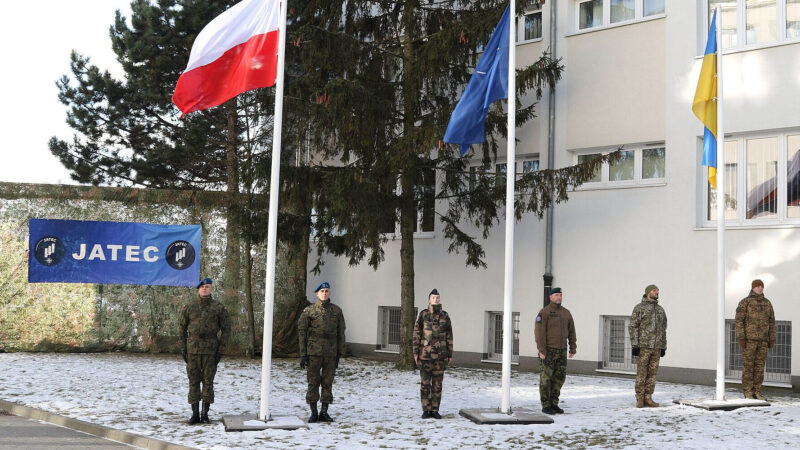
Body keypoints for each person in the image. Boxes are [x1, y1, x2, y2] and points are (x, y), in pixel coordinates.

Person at [179, 277, 231, 425]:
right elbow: (181, 328)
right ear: (198, 289)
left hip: (210, 350)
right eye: (202, 287)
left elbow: (226, 329)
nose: (205, 289)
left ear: (211, 289)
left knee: (208, 382)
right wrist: (183, 347)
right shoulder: (189, 307)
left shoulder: (218, 308)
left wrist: (220, 350)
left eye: (207, 287)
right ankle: (195, 414)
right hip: (193, 349)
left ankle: (205, 414)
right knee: (193, 382)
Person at [298, 282, 346, 423]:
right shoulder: (310, 311)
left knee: (327, 382)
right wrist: (303, 354)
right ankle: (313, 412)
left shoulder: (336, 311)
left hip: (330, 353)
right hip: (314, 352)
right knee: (313, 382)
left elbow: (341, 333)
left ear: (329, 293)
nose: (324, 293)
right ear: (317, 294)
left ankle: (324, 411)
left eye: (326, 291)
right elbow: (302, 333)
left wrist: (339, 353)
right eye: (322, 291)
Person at [413, 288, 454, 419]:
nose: (435, 300)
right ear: (429, 300)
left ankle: (435, 410)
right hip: (425, 356)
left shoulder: (445, 316)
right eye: (433, 298)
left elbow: (449, 335)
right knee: (425, 384)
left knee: (437, 385)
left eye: (437, 298)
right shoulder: (423, 314)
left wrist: (450, 354)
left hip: (440, 356)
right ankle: (426, 409)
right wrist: (415, 352)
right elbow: (416, 334)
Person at [534, 287, 576, 415]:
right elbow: (539, 333)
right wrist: (542, 350)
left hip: (562, 351)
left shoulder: (566, 313)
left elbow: (572, 331)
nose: (559, 297)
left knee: (559, 378)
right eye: (556, 295)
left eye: (560, 295)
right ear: (551, 297)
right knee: (546, 378)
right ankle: (546, 405)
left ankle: (554, 403)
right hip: (548, 351)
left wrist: (572, 347)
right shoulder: (544, 313)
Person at [735, 279, 776, 400]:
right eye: (757, 286)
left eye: (761, 286)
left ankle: (757, 391)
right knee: (748, 367)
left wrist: (771, 338)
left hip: (763, 341)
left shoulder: (767, 303)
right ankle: (748, 391)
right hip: (749, 341)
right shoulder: (745, 302)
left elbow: (772, 322)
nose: (760, 288)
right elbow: (739, 321)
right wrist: (741, 337)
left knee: (759, 367)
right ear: (752, 288)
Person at [629, 284, 667, 408]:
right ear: (648, 292)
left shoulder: (660, 310)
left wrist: (663, 346)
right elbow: (633, 327)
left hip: (656, 347)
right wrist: (635, 345)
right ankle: (639, 398)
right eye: (655, 290)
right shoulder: (639, 308)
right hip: (643, 347)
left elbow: (663, 329)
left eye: (658, 290)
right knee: (642, 373)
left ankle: (648, 397)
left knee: (652, 374)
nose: (657, 292)